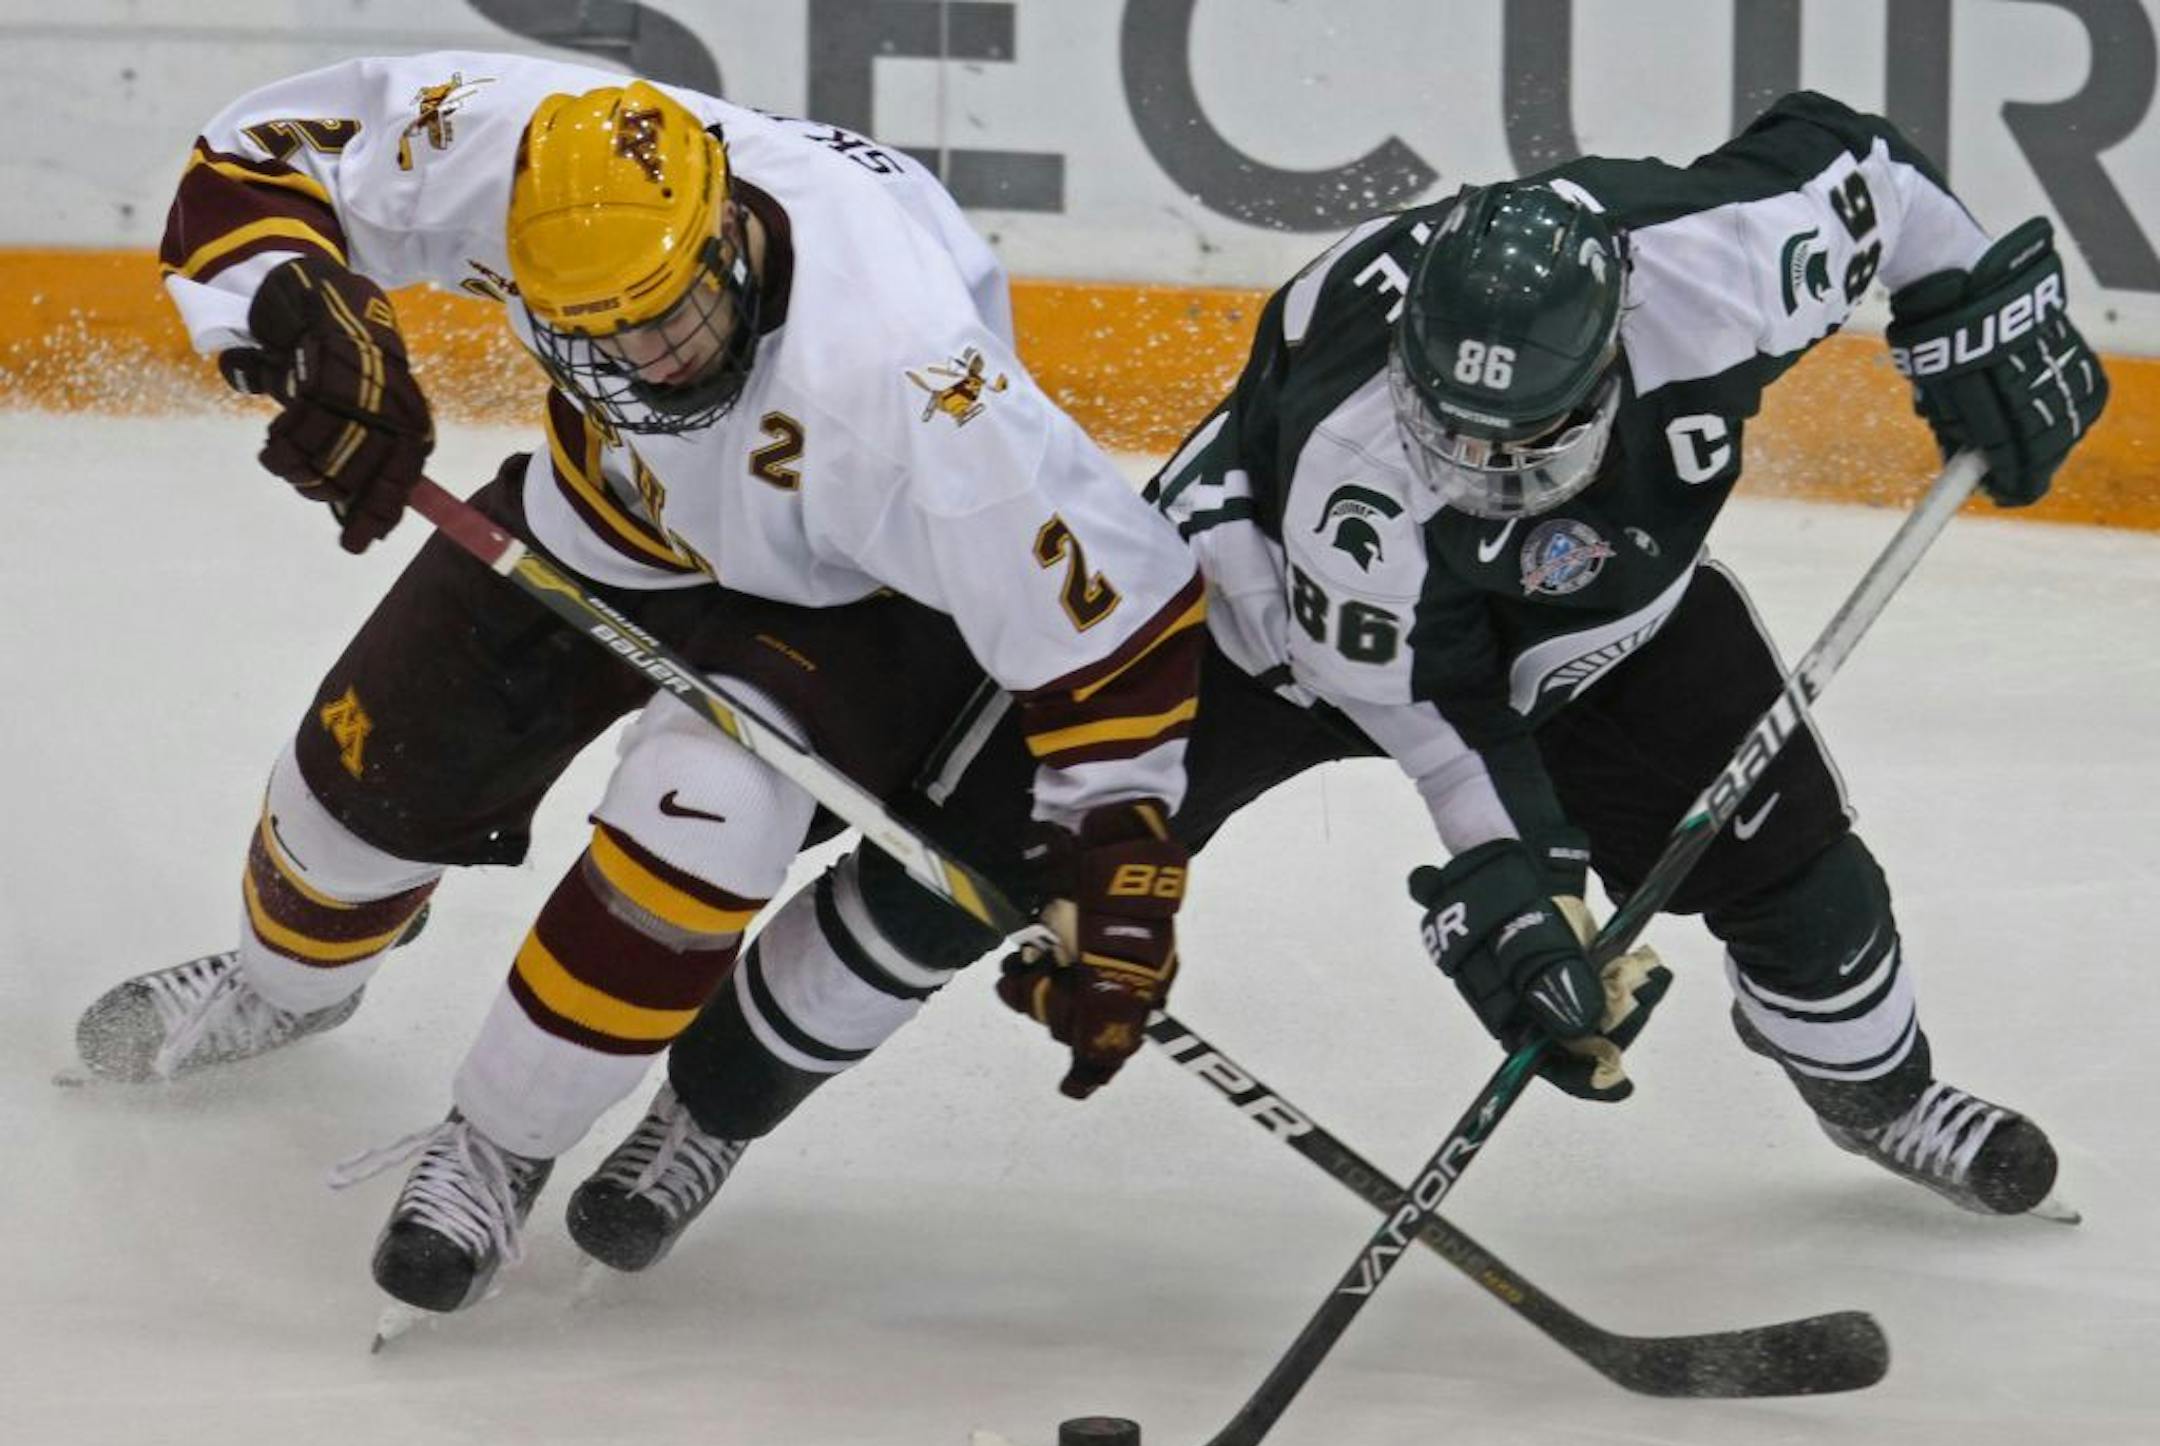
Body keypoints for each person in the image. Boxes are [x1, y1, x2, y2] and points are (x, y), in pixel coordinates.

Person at [552, 89, 2103, 1276]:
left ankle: (1876, 1093)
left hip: (1606, 629)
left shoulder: (1719, 262)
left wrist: (1977, 306)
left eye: (1520, 446)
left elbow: (1873, 174)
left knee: (1809, 887)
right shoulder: (1359, 474)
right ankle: (707, 1109)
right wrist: (1523, 894)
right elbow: (1438, 712)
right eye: (1452, 433)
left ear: (1614, 355)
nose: (1479, 472)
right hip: (1250, 632)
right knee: (964, 872)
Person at [78, 53, 1209, 1312]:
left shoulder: (913, 383)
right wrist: (308, 320)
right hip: (608, 513)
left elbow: (1122, 616)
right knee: (358, 789)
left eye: (668, 316)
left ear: (724, 232)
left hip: (854, 595)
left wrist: (1112, 844)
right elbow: (259, 157)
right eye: (596, 331)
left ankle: (498, 1144)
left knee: (701, 825)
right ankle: (281, 989)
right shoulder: (512, 157)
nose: (645, 361)